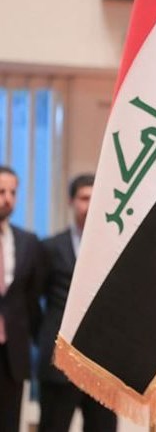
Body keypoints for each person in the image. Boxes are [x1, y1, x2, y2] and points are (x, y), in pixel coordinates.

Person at [36, 174, 117, 432]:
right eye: (84, 198)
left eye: (95, 198)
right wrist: (45, 335)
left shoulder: (112, 247)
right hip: (59, 362)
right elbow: (31, 301)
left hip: (101, 364)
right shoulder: (50, 248)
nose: (89, 205)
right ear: (71, 201)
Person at [0, 166, 45, 432]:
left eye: (12, 192)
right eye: (1, 192)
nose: (8, 199)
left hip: (12, 355)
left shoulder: (28, 241)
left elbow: (31, 299)